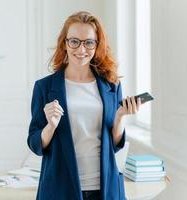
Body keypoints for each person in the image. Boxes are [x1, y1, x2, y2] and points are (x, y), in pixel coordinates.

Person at [27, 11, 141, 200]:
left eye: (88, 42)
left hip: (105, 186)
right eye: (74, 41)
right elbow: (35, 144)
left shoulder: (111, 85)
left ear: (97, 45)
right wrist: (51, 126)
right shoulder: (44, 87)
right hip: (60, 187)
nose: (81, 49)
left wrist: (120, 116)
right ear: (65, 43)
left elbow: (115, 145)